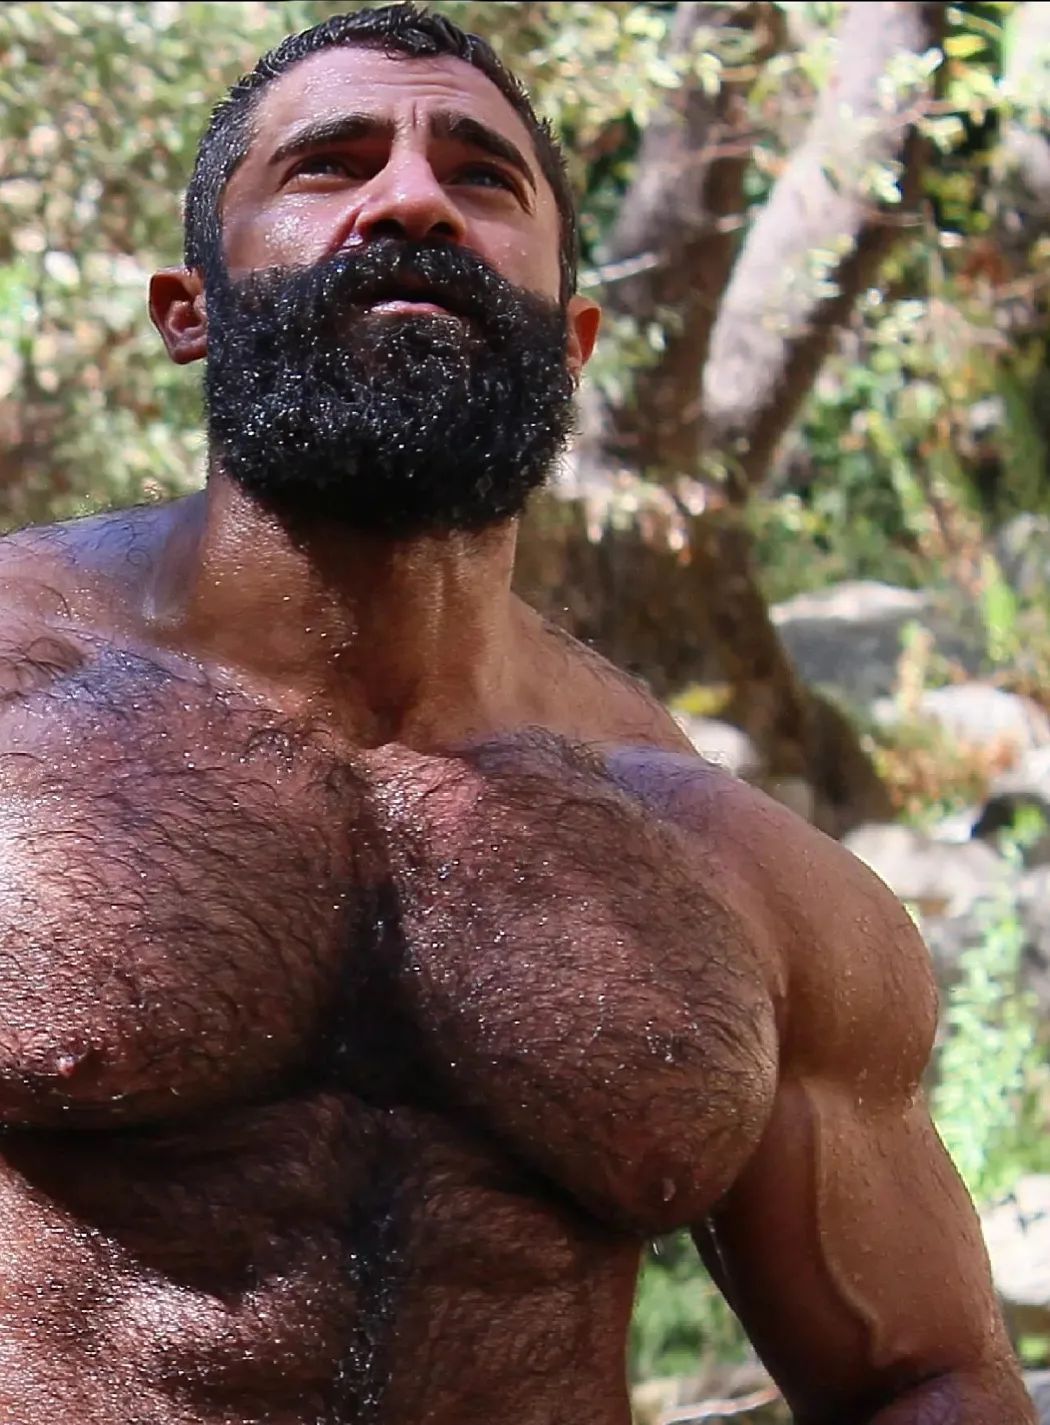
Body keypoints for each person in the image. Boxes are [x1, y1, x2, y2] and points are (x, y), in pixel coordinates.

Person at [0, 5, 1034, 1423]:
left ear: (574, 338)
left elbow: (920, 1374)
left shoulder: (717, 866)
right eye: (329, 162)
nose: (411, 200)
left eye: (482, 177)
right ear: (192, 309)